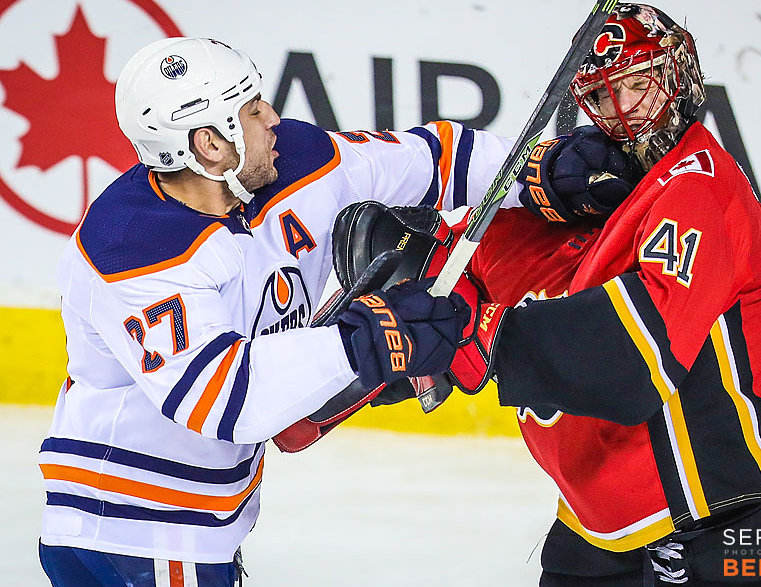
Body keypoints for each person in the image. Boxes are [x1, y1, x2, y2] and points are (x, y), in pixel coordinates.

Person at [357, 3, 761, 585]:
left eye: (639, 83)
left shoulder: (698, 190)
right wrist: (398, 319)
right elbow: (456, 278)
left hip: (759, 526)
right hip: (604, 539)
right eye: (605, 94)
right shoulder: (589, 195)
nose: (627, 109)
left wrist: (483, 336)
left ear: (677, 75)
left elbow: (637, 360)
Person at [37, 36, 519, 587]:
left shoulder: (289, 161)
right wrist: (366, 341)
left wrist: (542, 172)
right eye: (251, 109)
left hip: (189, 527)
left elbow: (432, 160)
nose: (272, 117)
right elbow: (225, 401)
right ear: (210, 144)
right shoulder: (135, 245)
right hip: (136, 531)